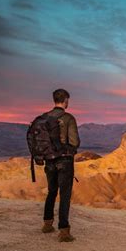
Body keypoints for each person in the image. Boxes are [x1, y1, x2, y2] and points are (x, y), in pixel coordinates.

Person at [41, 89, 80, 242]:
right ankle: (64, 231)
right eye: (67, 100)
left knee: (51, 191)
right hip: (64, 161)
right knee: (65, 195)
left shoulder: (44, 118)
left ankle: (47, 224)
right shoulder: (68, 118)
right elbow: (74, 141)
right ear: (65, 100)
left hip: (49, 160)